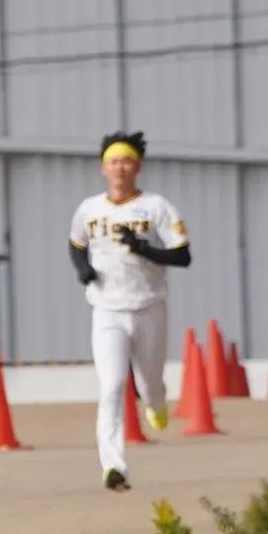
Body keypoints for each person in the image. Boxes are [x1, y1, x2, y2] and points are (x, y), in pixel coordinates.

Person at [68, 131, 191, 492]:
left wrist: (144, 249)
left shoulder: (156, 207)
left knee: (149, 382)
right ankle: (113, 466)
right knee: (112, 386)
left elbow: (183, 255)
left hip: (148, 306)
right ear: (103, 168)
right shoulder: (89, 209)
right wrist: (83, 271)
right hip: (106, 310)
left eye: (126, 161)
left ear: (137, 166)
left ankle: (156, 401)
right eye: (112, 161)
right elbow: (76, 244)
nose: (119, 167)